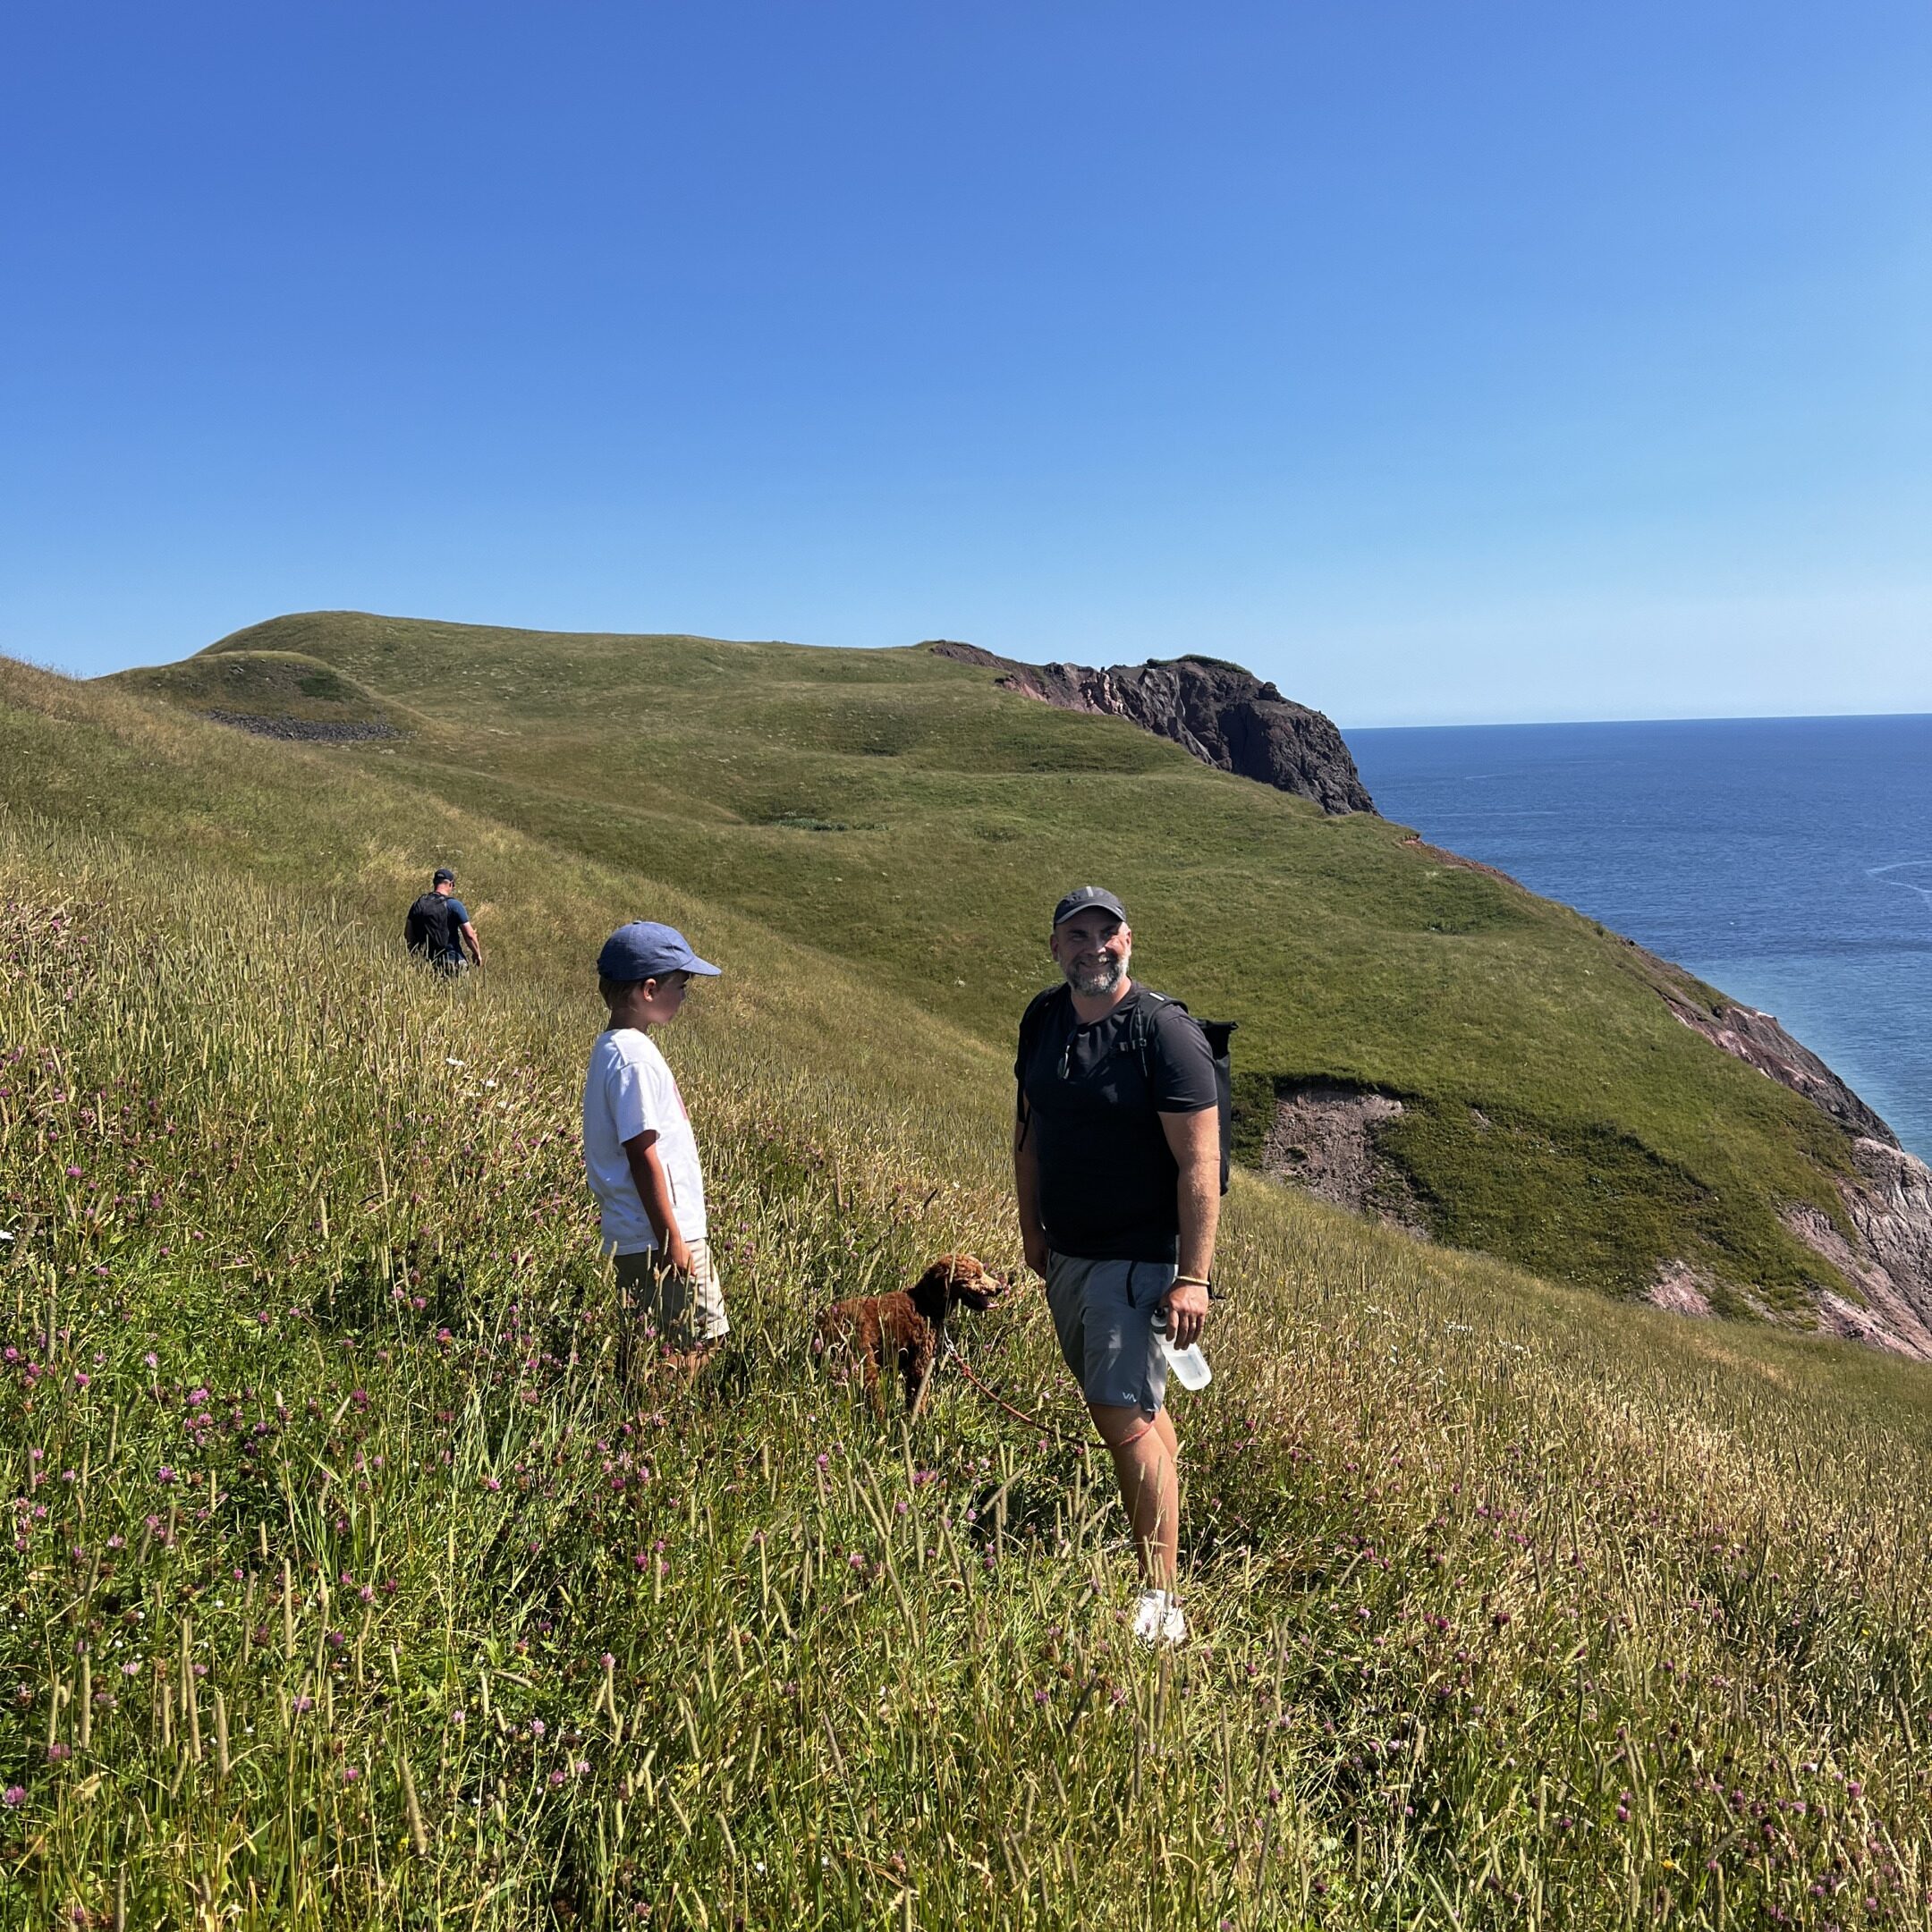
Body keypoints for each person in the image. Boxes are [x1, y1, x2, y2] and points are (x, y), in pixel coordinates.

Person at [1013, 886, 1219, 1647]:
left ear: (1128, 941)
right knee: (1136, 1409)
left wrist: (1192, 1275)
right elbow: (1028, 1127)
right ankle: (1164, 1557)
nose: (1091, 946)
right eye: (1075, 934)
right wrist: (1031, 1228)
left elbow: (1200, 1163)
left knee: (1119, 1412)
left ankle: (1161, 1601)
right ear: (1055, 947)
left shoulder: (1165, 1034)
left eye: (1105, 932)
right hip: (1067, 1249)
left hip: (1135, 1257)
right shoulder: (1043, 1018)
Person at [582, 919, 728, 1376]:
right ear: (648, 990)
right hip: (660, 1235)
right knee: (697, 1345)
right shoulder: (633, 1058)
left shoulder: (614, 1049)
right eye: (680, 985)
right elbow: (642, 1153)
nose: (685, 995)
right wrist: (671, 1238)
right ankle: (662, 1428)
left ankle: (632, 1417)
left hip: (639, 1235)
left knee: (651, 1344)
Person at [404, 868, 484, 976]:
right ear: (451, 884)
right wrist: (477, 954)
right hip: (454, 962)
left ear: (434, 883)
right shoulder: (454, 905)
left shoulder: (418, 905)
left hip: (430, 964)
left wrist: (413, 954)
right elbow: (469, 935)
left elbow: (408, 933)